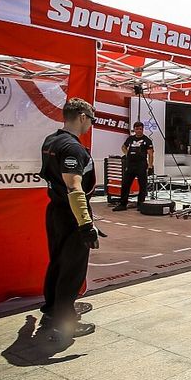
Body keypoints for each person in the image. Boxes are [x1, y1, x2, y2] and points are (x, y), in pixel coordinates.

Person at [39, 98, 101, 339]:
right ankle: (65, 322)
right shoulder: (73, 148)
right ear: (82, 117)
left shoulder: (50, 141)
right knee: (72, 268)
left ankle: (54, 310)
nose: (91, 125)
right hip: (71, 214)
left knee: (57, 262)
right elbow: (75, 188)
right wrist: (86, 225)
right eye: (92, 120)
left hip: (55, 211)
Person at [113, 121, 154, 212]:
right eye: (137, 129)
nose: (139, 131)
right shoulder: (130, 139)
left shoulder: (147, 140)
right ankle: (123, 204)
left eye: (140, 129)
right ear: (134, 129)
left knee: (142, 186)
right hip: (130, 164)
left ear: (143, 129)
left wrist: (150, 166)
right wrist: (127, 154)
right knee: (125, 184)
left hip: (141, 165)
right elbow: (123, 147)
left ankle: (141, 204)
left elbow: (150, 154)